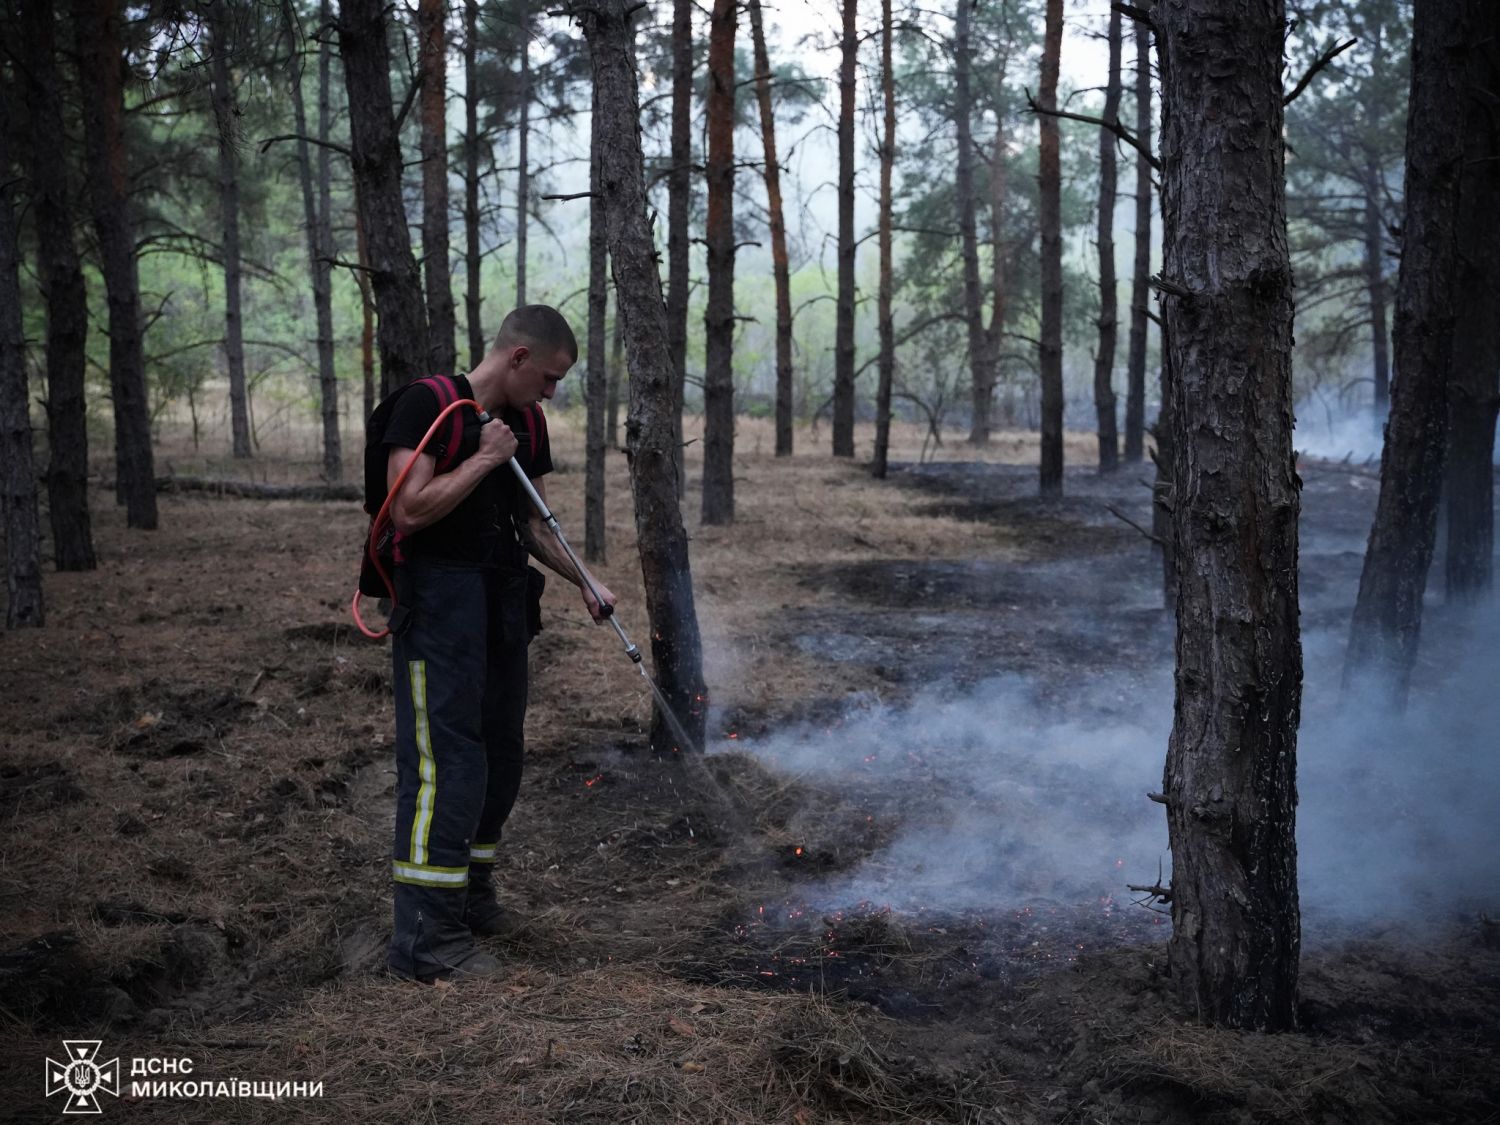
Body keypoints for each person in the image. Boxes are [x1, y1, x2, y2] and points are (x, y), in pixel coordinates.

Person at [380, 304, 615, 982]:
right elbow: (409, 508)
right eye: (546, 378)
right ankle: (424, 939)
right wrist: (485, 457)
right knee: (444, 764)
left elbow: (534, 523)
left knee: (498, 759)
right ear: (516, 358)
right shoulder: (429, 405)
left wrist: (586, 581)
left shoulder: (526, 422)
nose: (549, 393)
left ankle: (471, 900)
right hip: (436, 610)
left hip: (500, 608)